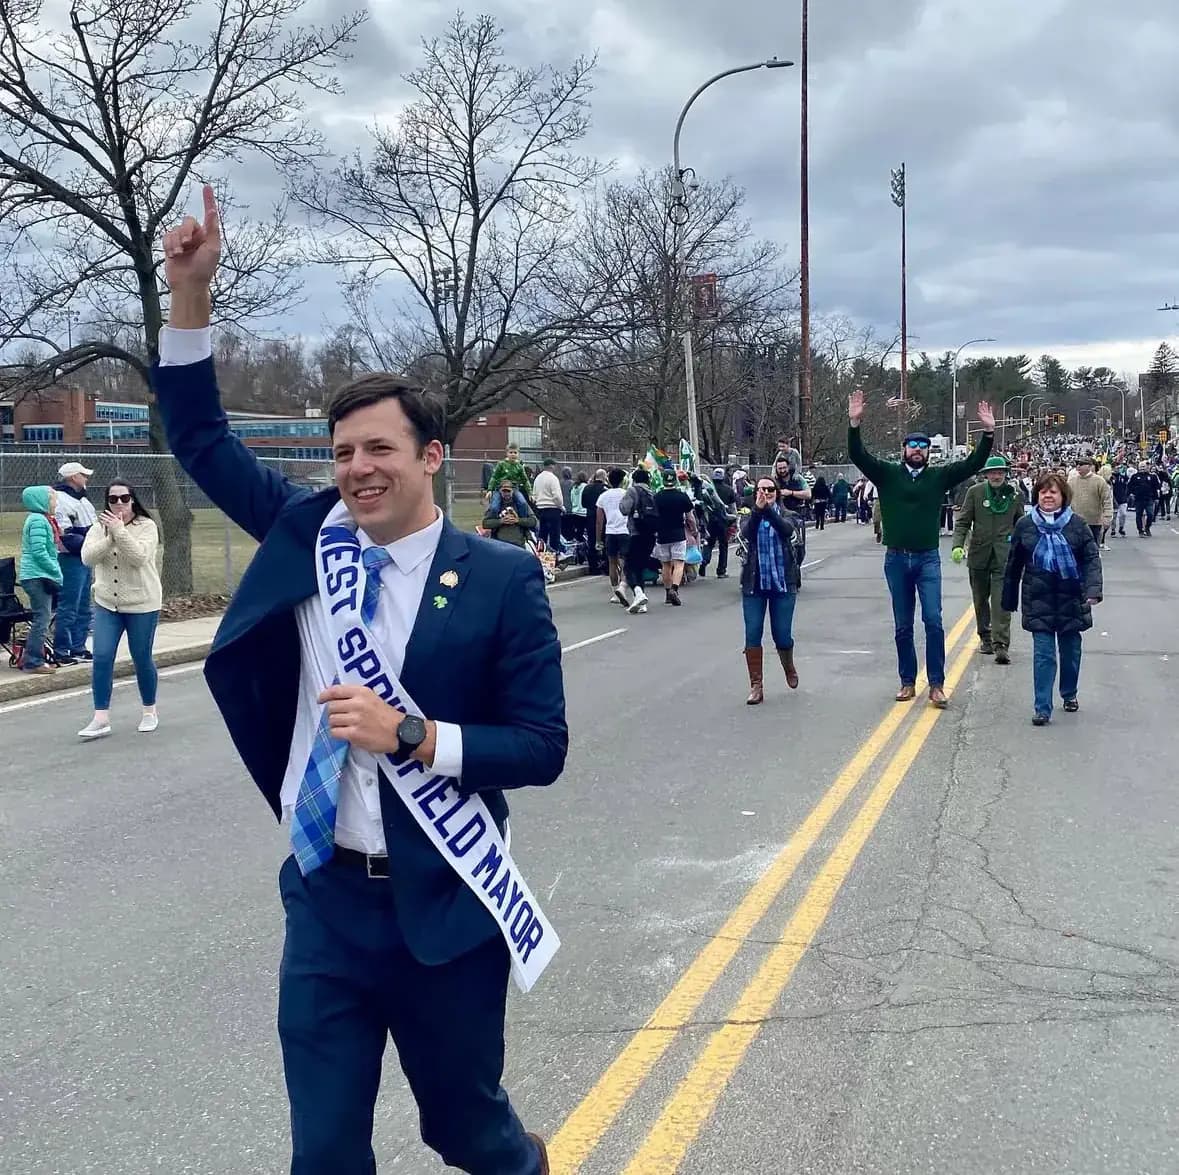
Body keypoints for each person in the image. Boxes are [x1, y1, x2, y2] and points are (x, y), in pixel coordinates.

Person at [157, 187, 563, 1175]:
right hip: (328, 899)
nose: (356, 468)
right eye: (342, 452)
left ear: (432, 455)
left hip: (446, 908)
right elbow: (203, 437)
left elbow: (540, 747)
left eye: (378, 447)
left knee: (468, 1131)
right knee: (326, 1149)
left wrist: (416, 735)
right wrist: (189, 297)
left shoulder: (503, 579)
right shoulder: (307, 533)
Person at [847, 387, 996, 707]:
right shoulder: (886, 474)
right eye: (912, 445)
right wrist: (854, 424)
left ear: (928, 452)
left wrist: (988, 432)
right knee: (903, 625)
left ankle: (937, 684)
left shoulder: (938, 478)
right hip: (897, 560)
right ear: (903, 449)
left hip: (928, 560)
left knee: (933, 620)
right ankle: (906, 681)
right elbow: (858, 456)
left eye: (923, 446)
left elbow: (972, 464)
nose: (917, 450)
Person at [1002, 472, 1102, 726]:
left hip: (1072, 598)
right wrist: (1008, 598)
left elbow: (1091, 559)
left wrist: (1092, 590)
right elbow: (1014, 564)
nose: (1047, 495)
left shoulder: (1077, 525)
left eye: (1053, 491)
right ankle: (1042, 707)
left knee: (1070, 652)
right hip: (1039, 599)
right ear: (1037, 495)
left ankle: (1069, 693)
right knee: (1044, 655)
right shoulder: (1025, 525)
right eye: (1043, 491)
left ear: (1063, 496)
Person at [77, 482, 163, 739]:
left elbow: (139, 558)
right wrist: (110, 535)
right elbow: (87, 558)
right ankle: (100, 717)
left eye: (124, 498)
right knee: (102, 657)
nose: (119, 503)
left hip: (142, 604)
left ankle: (150, 711)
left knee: (141, 657)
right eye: (113, 499)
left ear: (132, 500)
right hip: (107, 603)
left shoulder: (146, 526)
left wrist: (120, 532)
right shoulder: (98, 528)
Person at [951, 456, 1024, 664]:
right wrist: (958, 545)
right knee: (980, 599)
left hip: (1004, 555)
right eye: (993, 472)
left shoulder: (1015, 494)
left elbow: (1021, 524)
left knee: (1002, 600)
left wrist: (1025, 548)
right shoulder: (975, 493)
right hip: (979, 554)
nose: (996, 476)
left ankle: (1001, 644)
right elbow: (963, 521)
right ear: (986, 475)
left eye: (1000, 472)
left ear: (1005, 474)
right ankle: (985, 637)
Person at [740, 478, 801, 704]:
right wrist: (758, 510)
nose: (765, 493)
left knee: (782, 634)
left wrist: (770, 512)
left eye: (770, 489)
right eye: (761, 489)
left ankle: (788, 665)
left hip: (783, 583)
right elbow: (747, 533)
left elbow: (786, 531)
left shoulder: (788, 515)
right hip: (754, 583)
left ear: (777, 492)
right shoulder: (748, 515)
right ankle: (756, 685)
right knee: (752, 633)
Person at [51, 460, 98, 665]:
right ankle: (61, 650)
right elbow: (66, 535)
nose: (86, 478)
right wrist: (90, 542)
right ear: (72, 478)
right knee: (69, 606)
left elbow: (95, 528)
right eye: (83, 475)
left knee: (84, 606)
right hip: (70, 559)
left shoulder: (84, 500)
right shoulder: (60, 500)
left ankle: (78, 647)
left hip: (86, 557)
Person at [17, 485, 62, 675]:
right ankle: (33, 661)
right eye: (52, 499)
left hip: (38, 574)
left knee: (42, 617)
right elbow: (39, 551)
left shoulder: (43, 520)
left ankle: (35, 657)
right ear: (41, 500)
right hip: (37, 575)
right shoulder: (37, 520)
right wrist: (55, 569)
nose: (55, 502)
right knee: (41, 619)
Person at [651, 471, 696, 606]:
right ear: (675, 481)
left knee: (665, 564)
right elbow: (690, 517)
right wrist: (694, 529)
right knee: (679, 563)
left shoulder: (656, 497)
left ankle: (667, 593)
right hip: (678, 533)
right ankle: (675, 589)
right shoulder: (682, 496)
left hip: (662, 534)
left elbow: (652, 515)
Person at [619, 468, 658, 614]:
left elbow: (624, 509)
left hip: (636, 532)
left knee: (629, 566)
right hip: (651, 534)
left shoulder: (632, 491)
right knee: (640, 567)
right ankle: (641, 603)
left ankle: (638, 592)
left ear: (634, 479)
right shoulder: (652, 492)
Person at [596, 467, 632, 607]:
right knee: (624, 562)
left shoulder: (603, 496)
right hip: (624, 530)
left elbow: (599, 520)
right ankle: (622, 588)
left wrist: (598, 539)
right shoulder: (626, 494)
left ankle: (614, 591)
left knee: (612, 562)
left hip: (610, 532)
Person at [1068, 456, 1114, 550]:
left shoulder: (1099, 481)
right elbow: (1066, 500)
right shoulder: (1071, 481)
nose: (1078, 467)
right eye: (1077, 465)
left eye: (1081, 464)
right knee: (1077, 549)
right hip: (1077, 522)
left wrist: (1107, 517)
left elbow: (1107, 500)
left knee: (1093, 549)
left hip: (1095, 522)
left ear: (1089, 466)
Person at [482, 480, 538, 548]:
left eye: (508, 491)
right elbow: (485, 523)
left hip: (518, 543)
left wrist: (518, 520)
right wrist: (501, 521)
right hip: (500, 544)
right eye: (504, 491)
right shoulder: (496, 507)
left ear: (512, 491)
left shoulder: (521, 505)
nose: (506, 493)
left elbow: (533, 521)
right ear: (500, 492)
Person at [580, 469, 608, 576]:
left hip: (590, 517)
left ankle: (593, 567)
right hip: (603, 518)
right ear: (604, 477)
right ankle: (606, 567)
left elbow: (583, 503)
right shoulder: (605, 489)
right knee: (604, 541)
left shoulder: (587, 488)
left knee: (592, 542)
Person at [532, 458, 564, 551]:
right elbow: (557, 496)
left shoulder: (537, 478)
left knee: (542, 535)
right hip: (553, 508)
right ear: (551, 466)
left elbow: (534, 495)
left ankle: (542, 555)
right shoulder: (553, 478)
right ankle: (555, 556)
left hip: (540, 509)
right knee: (554, 535)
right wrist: (561, 506)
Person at [1128, 465, 1160, 536]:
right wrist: (1131, 494)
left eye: (1144, 467)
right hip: (1138, 499)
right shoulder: (1135, 476)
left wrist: (1156, 498)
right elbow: (1130, 486)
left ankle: (1147, 527)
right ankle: (1140, 530)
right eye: (1141, 467)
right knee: (1138, 515)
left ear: (1147, 468)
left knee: (1150, 514)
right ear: (1138, 468)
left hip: (1149, 498)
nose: (1142, 468)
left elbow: (1156, 487)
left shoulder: (1152, 477)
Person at [1111, 466, 1131, 537]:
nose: (1116, 469)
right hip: (1113, 499)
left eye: (1118, 468)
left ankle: (1121, 528)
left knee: (1123, 514)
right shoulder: (1111, 478)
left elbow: (1128, 482)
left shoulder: (1123, 477)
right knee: (1113, 516)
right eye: (1115, 468)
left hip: (1123, 499)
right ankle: (1113, 529)